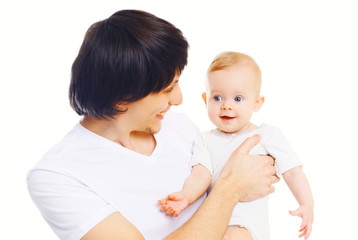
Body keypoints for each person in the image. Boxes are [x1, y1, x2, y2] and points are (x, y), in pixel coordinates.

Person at [27, 10, 279, 240]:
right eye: (168, 89)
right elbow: (232, 186)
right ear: (124, 93)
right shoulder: (57, 176)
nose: (178, 99)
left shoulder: (181, 127)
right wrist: (230, 189)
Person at [159, 52, 314, 240]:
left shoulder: (266, 135)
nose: (226, 106)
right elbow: (200, 174)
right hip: (212, 221)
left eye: (238, 99)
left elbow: (292, 171)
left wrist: (306, 204)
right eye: (217, 98)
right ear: (205, 99)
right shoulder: (204, 139)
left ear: (257, 103)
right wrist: (186, 196)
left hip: (246, 225)